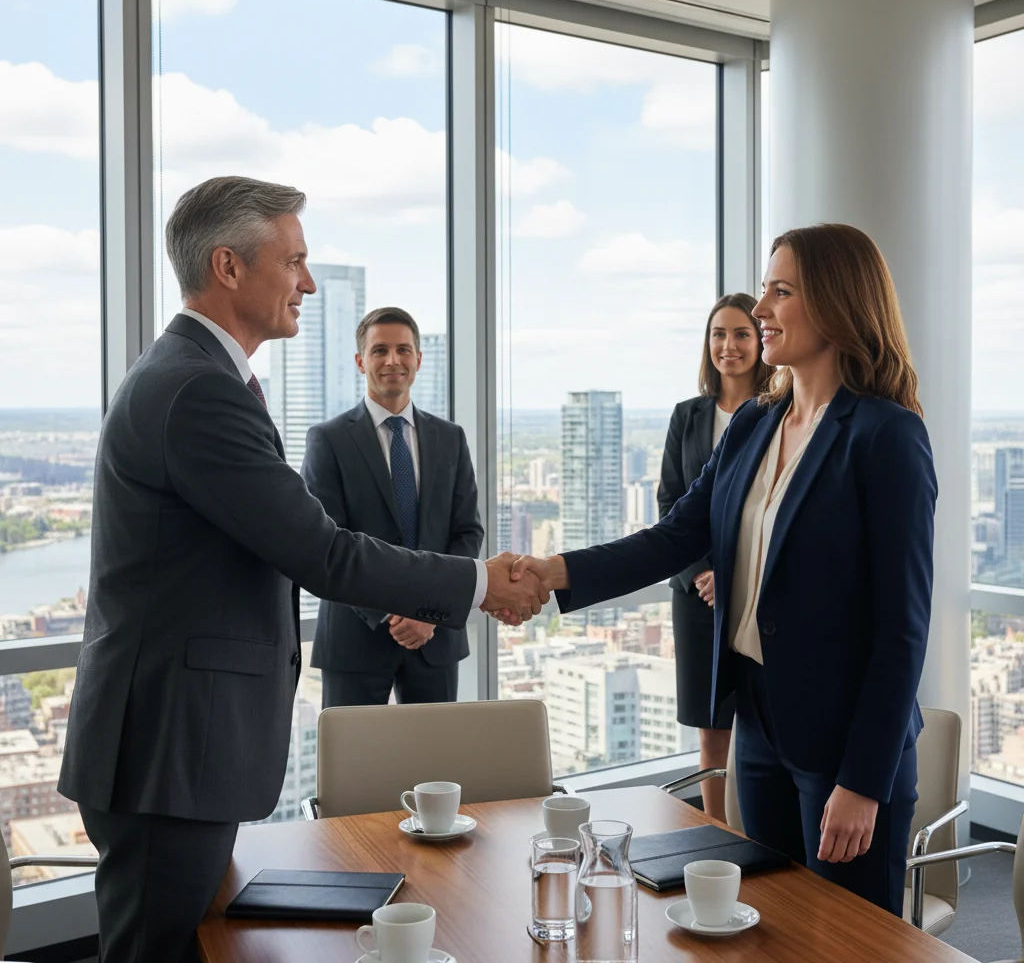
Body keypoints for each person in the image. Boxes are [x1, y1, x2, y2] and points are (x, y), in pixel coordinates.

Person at [57, 176, 545, 963]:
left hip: (174, 750)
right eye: (295, 261)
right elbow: (321, 550)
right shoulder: (196, 391)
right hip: (166, 753)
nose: (309, 282)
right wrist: (483, 583)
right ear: (228, 267)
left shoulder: (197, 377)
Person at [503, 223, 936, 917]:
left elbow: (903, 629)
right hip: (758, 725)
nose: (761, 309)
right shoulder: (754, 426)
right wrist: (552, 570)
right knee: (768, 929)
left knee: (848, 945)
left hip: (841, 744)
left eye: (781, 291)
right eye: (765, 289)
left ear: (837, 303)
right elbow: (675, 536)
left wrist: (864, 781)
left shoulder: (886, 436)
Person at [303, 307, 484, 707]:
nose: (392, 360)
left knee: (434, 762)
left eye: (404, 350)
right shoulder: (327, 440)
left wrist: (430, 615)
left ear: (418, 359)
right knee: (355, 766)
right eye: (380, 350)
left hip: (434, 642)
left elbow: (467, 532)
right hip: (355, 639)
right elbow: (324, 545)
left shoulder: (450, 438)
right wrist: (390, 615)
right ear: (360, 361)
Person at [658, 293, 772, 822]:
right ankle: (717, 835)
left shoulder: (780, 411)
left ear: (760, 341)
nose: (729, 346)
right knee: (712, 727)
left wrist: (732, 575)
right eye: (719, 335)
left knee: (761, 718)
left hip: (757, 591)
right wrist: (702, 572)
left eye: (742, 334)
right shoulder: (688, 415)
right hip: (697, 596)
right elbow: (671, 504)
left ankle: (760, 833)